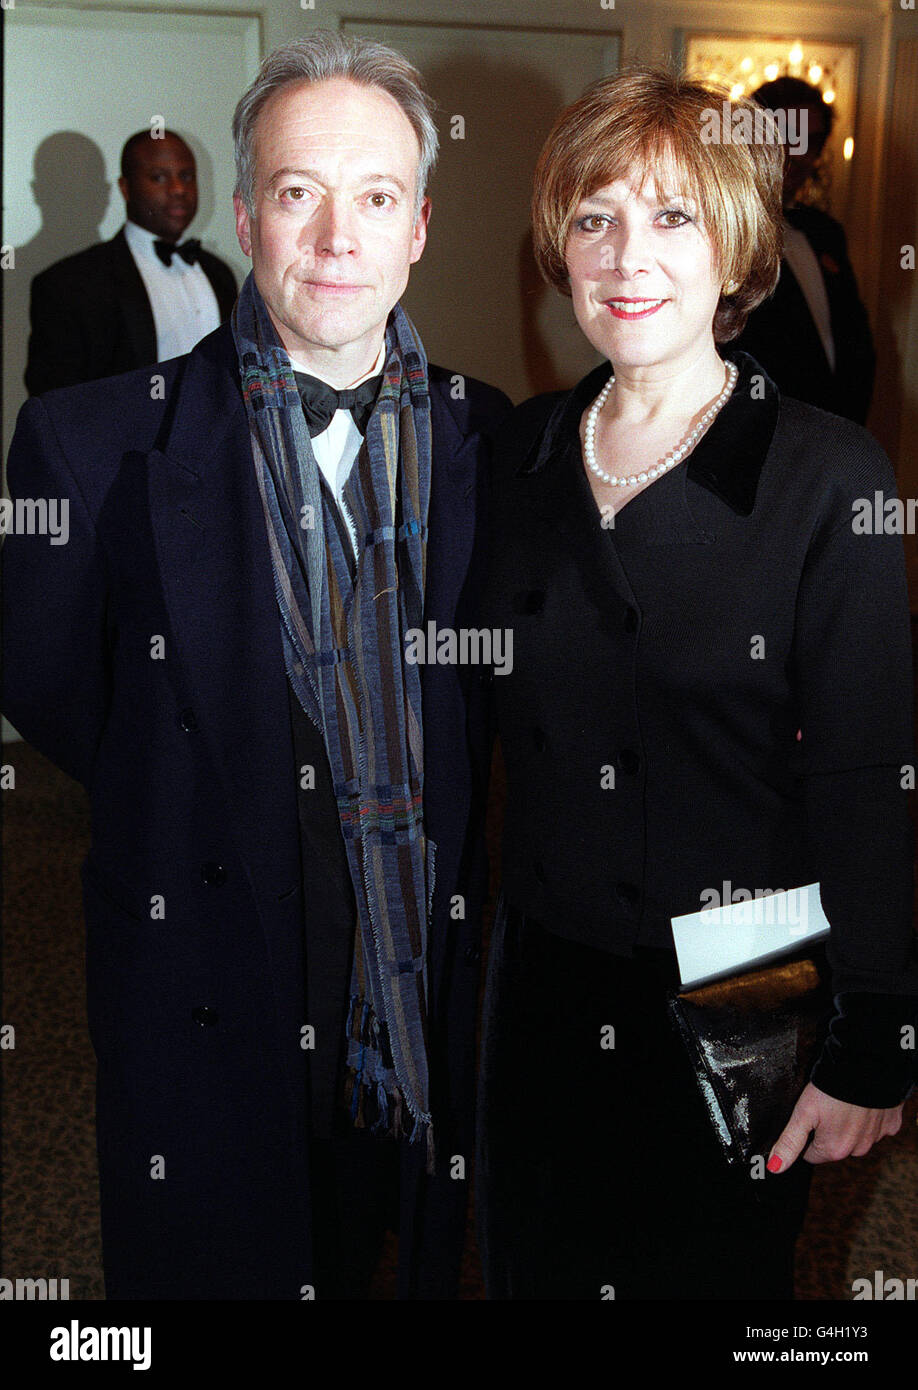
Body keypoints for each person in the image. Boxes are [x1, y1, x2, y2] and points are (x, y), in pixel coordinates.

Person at [3, 33, 509, 1299]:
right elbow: (59, 692)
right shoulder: (86, 444)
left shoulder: (491, 437)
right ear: (247, 214)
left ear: (421, 227)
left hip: (410, 969)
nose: (338, 237)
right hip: (203, 971)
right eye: (299, 193)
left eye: (377, 197)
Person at [477, 65, 918, 1301]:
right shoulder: (519, 457)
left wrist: (876, 1031)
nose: (628, 254)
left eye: (673, 216)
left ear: (734, 247)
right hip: (548, 977)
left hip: (746, 974)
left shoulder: (830, 477)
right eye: (595, 216)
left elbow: (863, 769)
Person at [25, 129, 237, 395]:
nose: (178, 189)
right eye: (159, 177)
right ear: (125, 188)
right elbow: (54, 402)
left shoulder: (219, 274)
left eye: (186, 176)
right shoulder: (69, 284)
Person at [733, 77, 875, 424]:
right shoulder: (726, 230)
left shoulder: (825, 232)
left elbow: (852, 344)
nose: (798, 155)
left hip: (835, 435)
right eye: (786, 136)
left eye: (810, 142)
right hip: (757, 437)